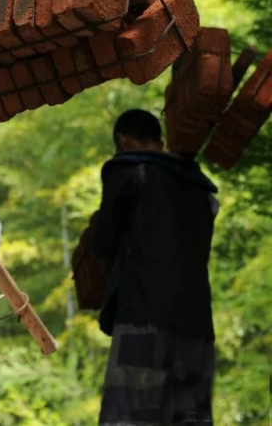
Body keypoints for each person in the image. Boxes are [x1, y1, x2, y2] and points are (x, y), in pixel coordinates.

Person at [91, 109, 218, 426]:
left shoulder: (127, 169)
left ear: (122, 141)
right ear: (159, 143)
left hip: (142, 322)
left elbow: (103, 243)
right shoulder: (201, 188)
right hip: (197, 332)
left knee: (128, 419)